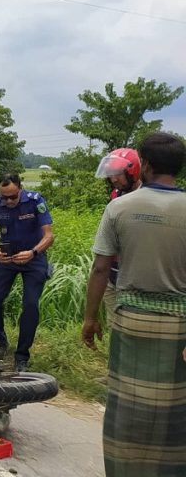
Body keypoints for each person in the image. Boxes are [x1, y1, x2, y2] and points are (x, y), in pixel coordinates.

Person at [81, 132, 186, 477]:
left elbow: (100, 269)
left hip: (131, 322)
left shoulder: (119, 208)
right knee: (175, 409)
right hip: (179, 329)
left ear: (146, 165)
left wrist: (90, 318)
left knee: (127, 406)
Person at [0, 173, 54, 372]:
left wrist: (33, 252)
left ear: (20, 188)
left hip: (34, 258)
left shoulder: (35, 200)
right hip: (8, 257)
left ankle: (21, 356)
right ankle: (0, 338)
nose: (9, 201)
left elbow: (49, 236)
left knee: (30, 305)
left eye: (13, 196)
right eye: (4, 197)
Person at [94, 148, 143, 323]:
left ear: (133, 171)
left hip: (136, 277)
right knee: (115, 325)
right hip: (112, 272)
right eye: (111, 174)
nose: (113, 179)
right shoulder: (116, 194)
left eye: (118, 174)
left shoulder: (147, 196)